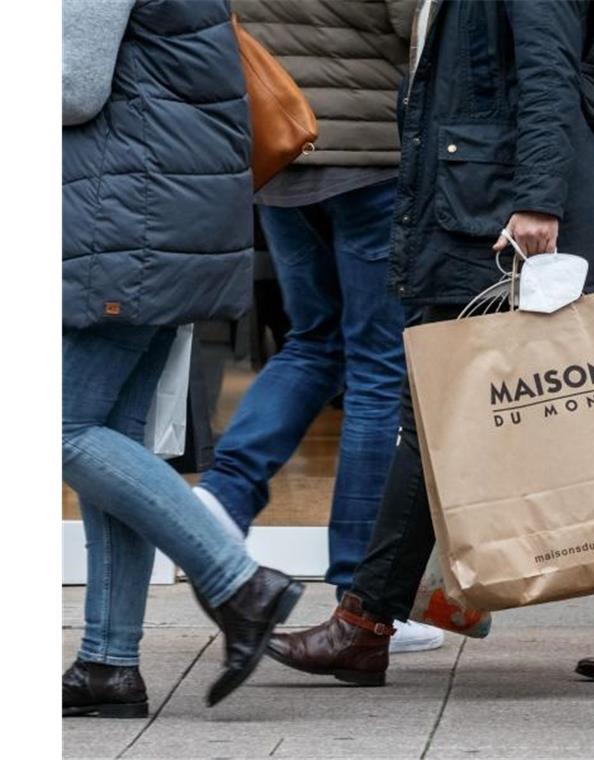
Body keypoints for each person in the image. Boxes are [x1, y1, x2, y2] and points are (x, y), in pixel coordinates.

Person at [262, 0, 594, 687]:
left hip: (500, 215)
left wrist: (538, 201)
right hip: (490, 202)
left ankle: (363, 624)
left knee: (440, 420)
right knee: (586, 416)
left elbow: (547, 74)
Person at [62, 0, 302, 717]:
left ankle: (240, 584)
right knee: (116, 447)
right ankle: (107, 665)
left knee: (54, 425)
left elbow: (73, 86)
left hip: (128, 220)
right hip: (156, 217)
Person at [190, 0, 443, 654]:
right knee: (377, 368)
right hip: (371, 156)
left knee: (313, 341)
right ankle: (360, 593)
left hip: (279, 144)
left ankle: (222, 497)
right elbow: (416, 26)